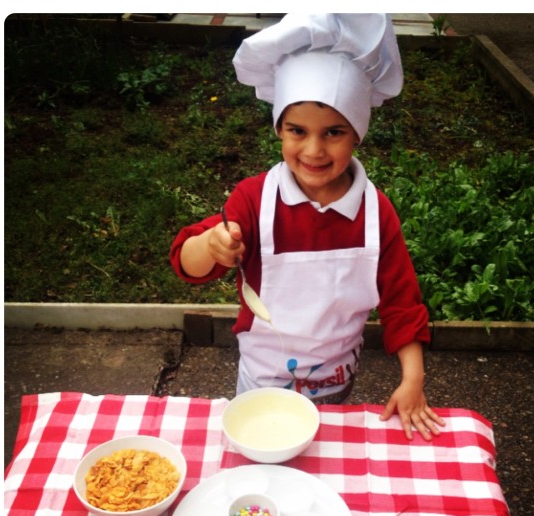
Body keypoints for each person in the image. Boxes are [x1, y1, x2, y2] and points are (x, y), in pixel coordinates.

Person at [170, 14, 445, 441]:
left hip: (338, 380)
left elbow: (401, 303)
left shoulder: (376, 212)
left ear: (358, 133)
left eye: (333, 132)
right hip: (260, 384)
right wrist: (211, 244)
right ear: (279, 128)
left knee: (323, 459)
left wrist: (413, 379)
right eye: (297, 131)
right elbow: (188, 261)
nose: (314, 150)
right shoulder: (254, 198)